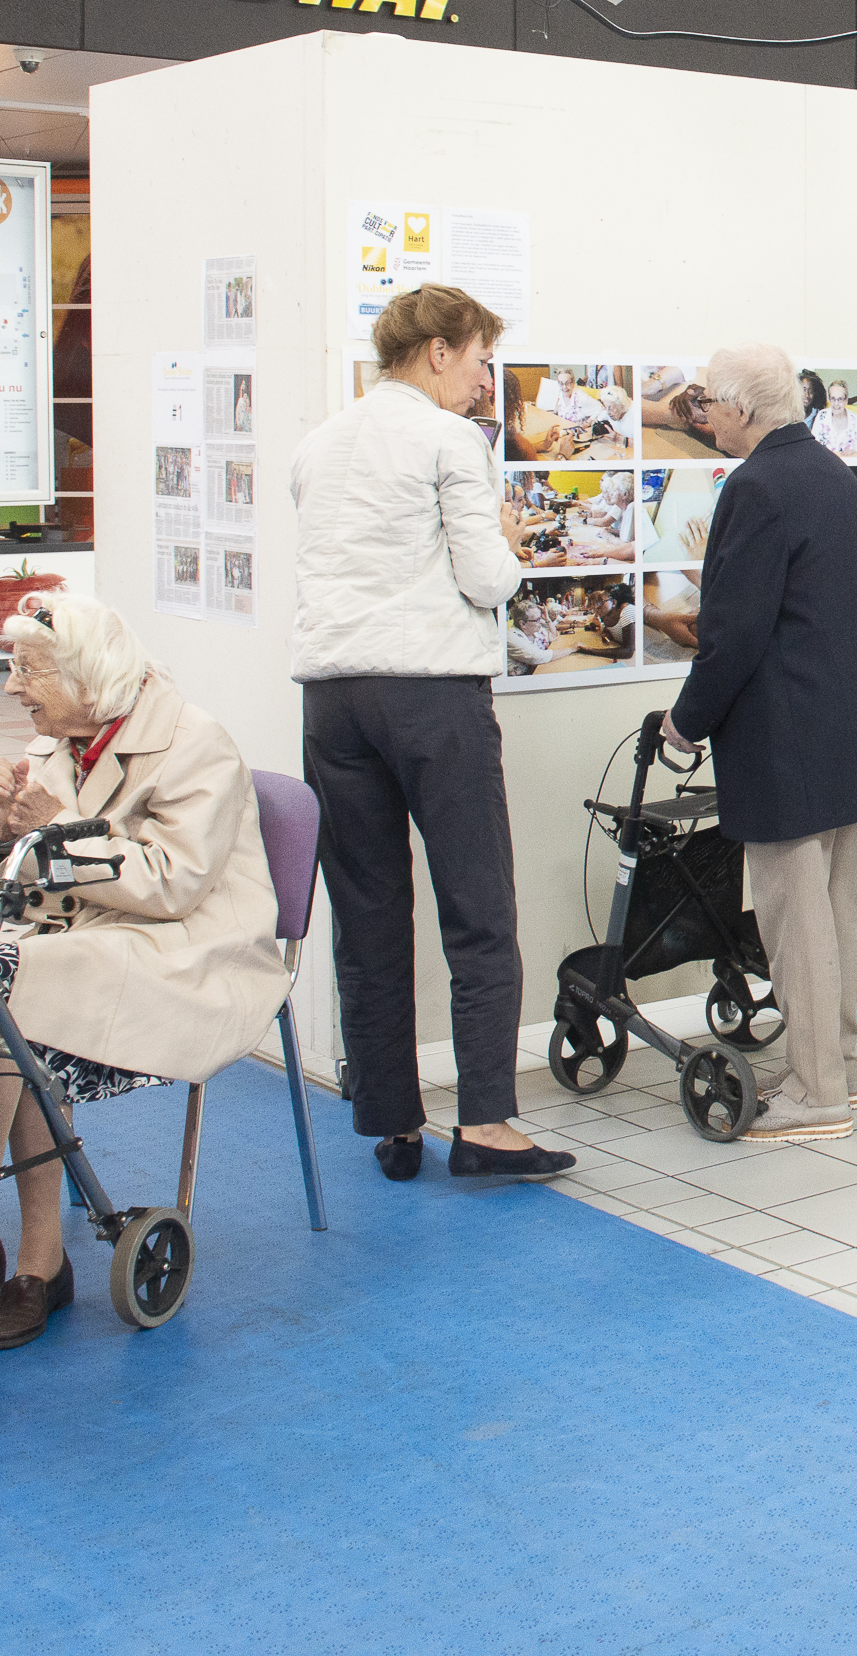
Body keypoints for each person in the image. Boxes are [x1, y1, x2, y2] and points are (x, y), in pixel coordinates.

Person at [0, 592, 285, 1349]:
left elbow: (172, 886)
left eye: (27, 670)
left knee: (3, 989)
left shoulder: (197, 744)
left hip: (191, 955)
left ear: (88, 675)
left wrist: (51, 832)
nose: (9, 687)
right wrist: (1, 838)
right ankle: (36, 1261)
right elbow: (12, 898)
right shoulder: (53, 747)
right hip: (84, 951)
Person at [289, 283, 574, 1187]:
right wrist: (509, 539)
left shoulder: (319, 443)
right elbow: (487, 581)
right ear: (441, 351)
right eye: (484, 359)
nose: (488, 381)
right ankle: (486, 1124)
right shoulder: (451, 439)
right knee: (478, 910)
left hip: (332, 701)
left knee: (368, 914)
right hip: (430, 696)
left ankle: (393, 1119)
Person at [660, 345, 857, 1143]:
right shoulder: (827, 473)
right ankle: (834, 1063)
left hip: (790, 738)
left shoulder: (755, 488)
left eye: (708, 400)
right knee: (836, 909)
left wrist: (685, 720)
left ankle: (814, 1092)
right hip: (855, 729)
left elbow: (734, 634)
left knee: (794, 917)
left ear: (740, 409)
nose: (702, 412)